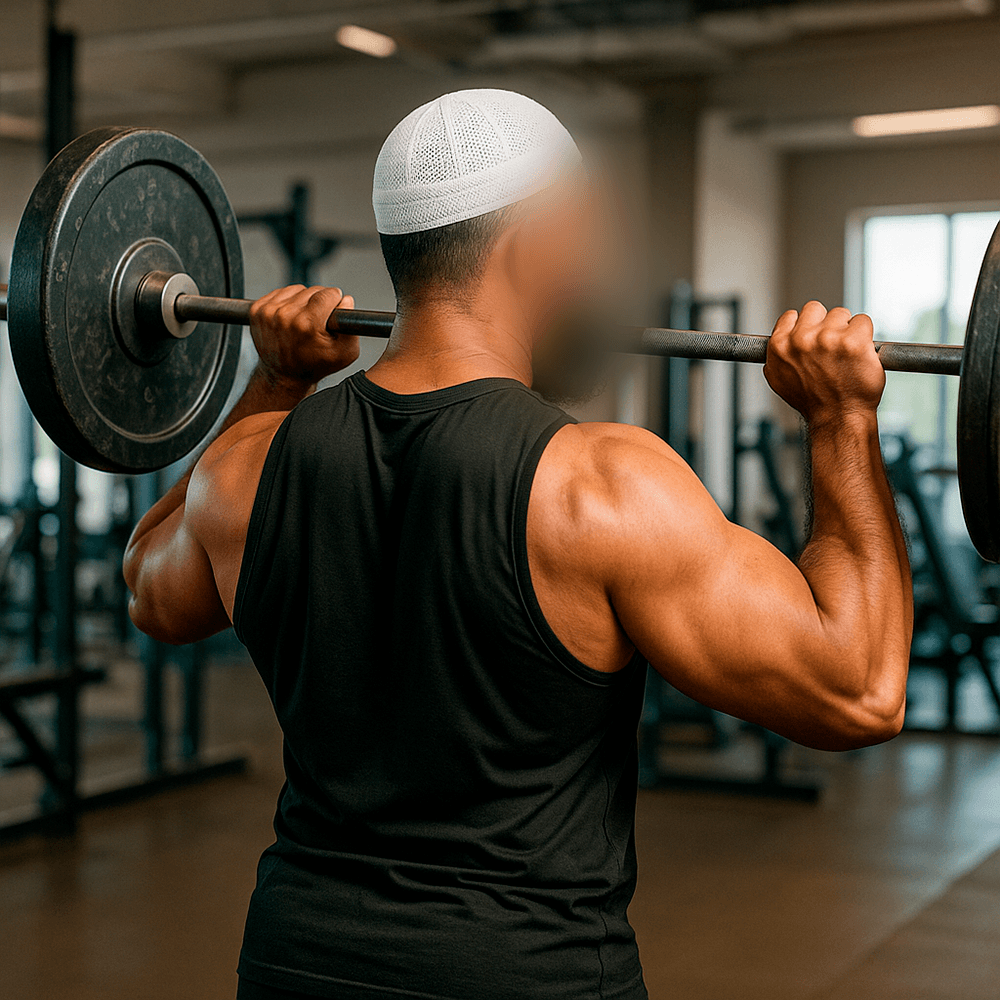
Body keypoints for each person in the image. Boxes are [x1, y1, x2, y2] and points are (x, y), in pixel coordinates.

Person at [124, 90, 913, 1000]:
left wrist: (273, 381)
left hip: (296, 961)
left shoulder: (246, 470)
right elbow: (859, 689)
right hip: (524, 976)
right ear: (535, 247)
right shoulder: (601, 485)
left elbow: (151, 592)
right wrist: (841, 419)